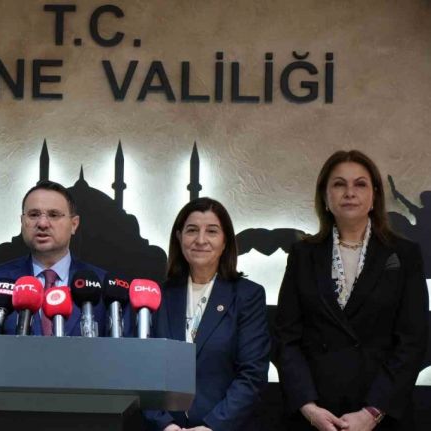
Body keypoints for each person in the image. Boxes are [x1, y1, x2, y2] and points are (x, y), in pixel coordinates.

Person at [274, 150, 428, 431]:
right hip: (314, 414)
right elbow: (286, 338)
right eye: (339, 184)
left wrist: (372, 412)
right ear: (325, 196)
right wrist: (308, 407)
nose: (349, 193)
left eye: (360, 184)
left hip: (381, 413)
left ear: (374, 196)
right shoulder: (302, 254)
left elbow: (413, 341)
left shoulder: (405, 255)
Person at [144, 197, 270, 431]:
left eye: (212, 231)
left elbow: (252, 374)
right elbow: (142, 370)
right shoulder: (157, 296)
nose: (201, 240)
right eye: (192, 230)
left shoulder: (247, 296)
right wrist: (165, 424)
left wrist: (212, 426)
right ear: (179, 237)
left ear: (225, 241)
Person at [0, 180, 107, 335]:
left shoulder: (102, 285)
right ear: (22, 222)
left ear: (74, 224)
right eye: (33, 215)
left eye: (54, 215)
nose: (42, 223)